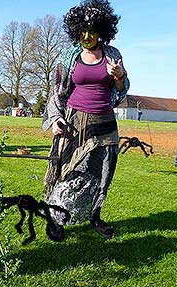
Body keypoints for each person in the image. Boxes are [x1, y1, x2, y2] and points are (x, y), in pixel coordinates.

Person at [42, 0, 129, 241]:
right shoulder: (69, 56)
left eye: (93, 31)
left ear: (102, 30)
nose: (88, 36)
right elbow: (56, 91)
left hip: (105, 122)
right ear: (76, 30)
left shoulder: (113, 55)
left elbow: (122, 91)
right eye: (83, 31)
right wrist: (56, 117)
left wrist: (119, 76)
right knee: (66, 170)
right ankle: (56, 219)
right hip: (74, 121)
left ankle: (95, 215)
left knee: (103, 171)